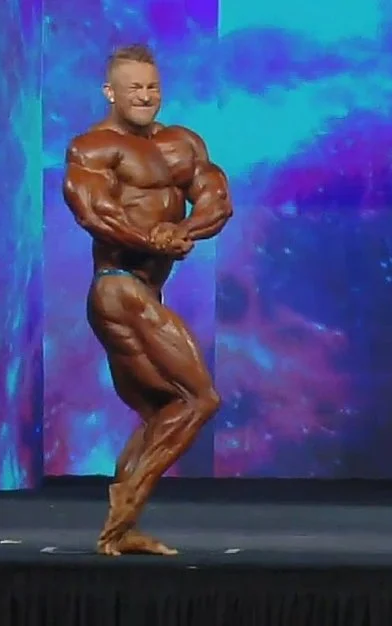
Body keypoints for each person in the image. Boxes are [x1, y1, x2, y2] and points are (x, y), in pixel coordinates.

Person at [62, 44, 233, 556]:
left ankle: (122, 529)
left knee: (162, 408)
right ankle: (123, 508)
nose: (145, 96)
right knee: (199, 398)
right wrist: (152, 240)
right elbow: (95, 213)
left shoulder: (182, 143)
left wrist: (183, 231)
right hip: (116, 287)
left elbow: (217, 201)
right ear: (110, 92)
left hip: (145, 290)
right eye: (134, 87)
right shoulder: (93, 147)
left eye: (152, 86)